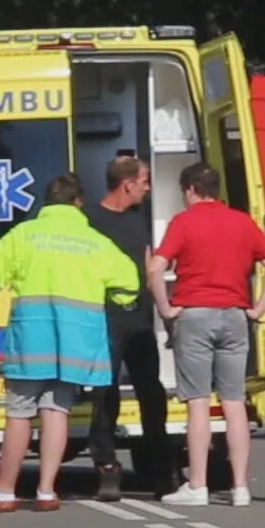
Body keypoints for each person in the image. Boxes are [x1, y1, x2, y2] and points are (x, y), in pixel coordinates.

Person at [0, 173, 139, 514]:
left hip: (32, 340)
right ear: (78, 203)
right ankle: (47, 491)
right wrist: (116, 300)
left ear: (46, 202)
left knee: (19, 413)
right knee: (57, 410)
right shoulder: (95, 241)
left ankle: (5, 491)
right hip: (74, 344)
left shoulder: (23, 236)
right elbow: (128, 283)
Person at [148, 161, 265, 507]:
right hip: (236, 315)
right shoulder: (241, 221)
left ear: (191, 190)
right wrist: (257, 307)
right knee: (234, 401)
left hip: (194, 314)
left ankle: (197, 484)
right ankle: (240, 486)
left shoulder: (184, 222)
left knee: (198, 403)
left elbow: (155, 267)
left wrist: (166, 308)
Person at [83, 156, 174, 501]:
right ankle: (106, 466)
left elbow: (150, 265)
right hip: (104, 317)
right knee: (104, 394)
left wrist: (165, 314)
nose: (148, 188)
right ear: (127, 184)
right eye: (145, 181)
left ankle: (162, 470)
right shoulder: (90, 220)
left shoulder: (139, 219)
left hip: (138, 318)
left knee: (151, 392)